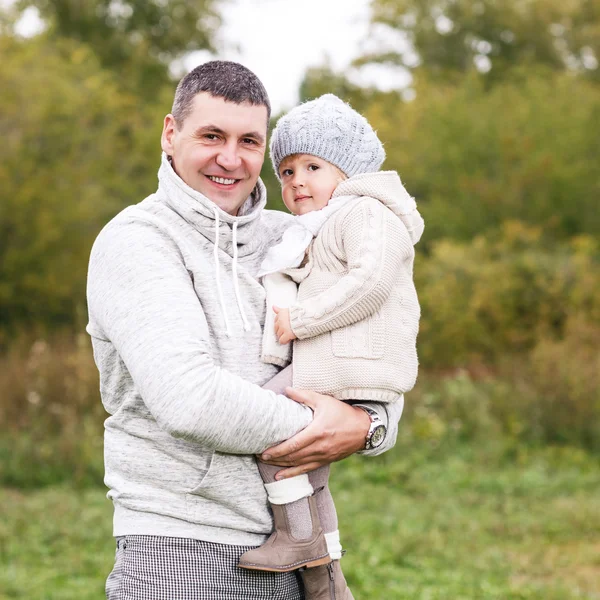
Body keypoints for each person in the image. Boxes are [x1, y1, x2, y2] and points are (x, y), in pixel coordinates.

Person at [86, 61, 404, 600]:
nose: (230, 159)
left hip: (298, 552)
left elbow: (372, 351)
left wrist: (371, 423)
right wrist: (333, 427)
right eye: (212, 136)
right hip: (182, 554)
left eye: (249, 141)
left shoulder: (296, 239)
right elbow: (191, 400)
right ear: (170, 133)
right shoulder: (138, 241)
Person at [237, 94, 424, 598]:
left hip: (350, 363)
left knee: (269, 426)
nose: (297, 181)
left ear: (349, 169)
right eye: (287, 171)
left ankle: (298, 536)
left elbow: (370, 282)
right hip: (338, 361)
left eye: (313, 166)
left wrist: (299, 320)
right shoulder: (321, 225)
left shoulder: (367, 212)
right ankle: (327, 577)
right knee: (307, 459)